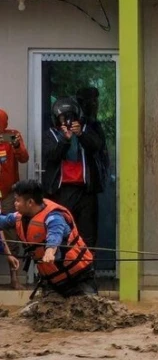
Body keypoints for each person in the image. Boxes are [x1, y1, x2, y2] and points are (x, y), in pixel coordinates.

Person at [0, 179, 96, 298]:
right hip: (54, 281)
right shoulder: (19, 217)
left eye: (18, 200)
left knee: (90, 310)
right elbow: (3, 221)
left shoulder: (54, 217)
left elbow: (55, 234)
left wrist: (50, 251)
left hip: (78, 278)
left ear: (30, 202)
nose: (15, 203)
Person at [41, 97, 105, 249]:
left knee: (87, 234)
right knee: (62, 231)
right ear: (56, 118)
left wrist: (81, 134)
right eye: (63, 117)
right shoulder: (50, 135)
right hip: (60, 191)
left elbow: (97, 146)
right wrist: (65, 139)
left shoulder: (85, 130)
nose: (67, 121)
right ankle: (64, 269)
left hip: (85, 191)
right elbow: (51, 156)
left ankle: (88, 269)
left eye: (71, 117)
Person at [0, 109, 29, 289]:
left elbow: (24, 158)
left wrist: (17, 146)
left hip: (9, 195)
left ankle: (15, 279)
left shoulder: (12, 136)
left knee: (12, 235)